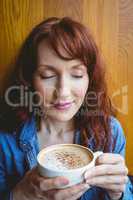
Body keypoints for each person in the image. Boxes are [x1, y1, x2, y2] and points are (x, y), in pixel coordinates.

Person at [0, 17, 132, 200]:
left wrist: (118, 193)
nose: (62, 92)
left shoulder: (110, 132)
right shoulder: (5, 141)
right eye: (47, 75)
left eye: (77, 75)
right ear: (29, 80)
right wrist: (20, 194)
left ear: (89, 79)